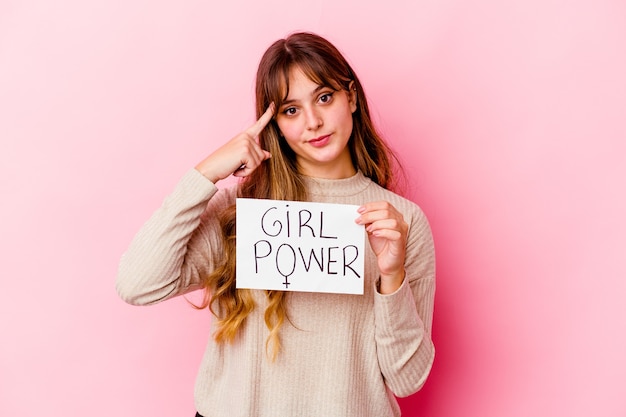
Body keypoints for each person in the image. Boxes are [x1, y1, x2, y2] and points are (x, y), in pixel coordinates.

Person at [116, 31, 435, 417]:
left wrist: (392, 277)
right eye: (291, 110)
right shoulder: (243, 209)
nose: (313, 122)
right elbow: (137, 284)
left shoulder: (401, 222)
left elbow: (407, 379)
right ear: (276, 124)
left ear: (350, 97)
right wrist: (205, 174)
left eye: (324, 97)